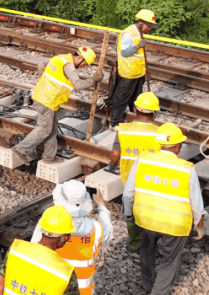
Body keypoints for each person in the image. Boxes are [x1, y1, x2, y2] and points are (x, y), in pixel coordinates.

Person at [124, 123, 205, 295]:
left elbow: (128, 193)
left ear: (160, 144)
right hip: (175, 224)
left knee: (147, 251)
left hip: (146, 218)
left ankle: (148, 283)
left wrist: (128, 214)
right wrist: (199, 226)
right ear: (177, 146)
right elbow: (197, 205)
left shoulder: (142, 160)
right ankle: (158, 291)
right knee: (170, 261)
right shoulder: (187, 169)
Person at [12, 47, 101, 164]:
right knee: (45, 129)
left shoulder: (61, 58)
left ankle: (49, 157)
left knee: (52, 129)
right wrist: (93, 79)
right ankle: (21, 148)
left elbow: (41, 65)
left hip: (46, 98)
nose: (84, 66)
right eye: (85, 63)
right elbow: (78, 84)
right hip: (46, 100)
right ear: (80, 58)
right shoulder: (69, 66)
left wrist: (43, 83)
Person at [30, 180, 113, 295]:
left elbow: (34, 249)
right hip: (83, 291)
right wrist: (102, 206)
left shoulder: (48, 223)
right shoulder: (96, 229)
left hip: (51, 287)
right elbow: (109, 233)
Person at [109, 91, 159, 252]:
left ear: (135, 110)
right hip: (152, 179)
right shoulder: (160, 133)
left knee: (131, 209)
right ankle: (151, 242)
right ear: (154, 114)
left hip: (130, 177)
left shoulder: (124, 130)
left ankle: (134, 243)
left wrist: (112, 165)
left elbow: (115, 154)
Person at [0, 206, 78, 295]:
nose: (69, 238)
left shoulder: (16, 249)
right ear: (62, 237)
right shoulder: (66, 273)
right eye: (68, 235)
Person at [108, 9, 160, 129]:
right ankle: (115, 123)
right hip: (129, 73)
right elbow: (125, 52)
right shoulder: (128, 34)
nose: (150, 28)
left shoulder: (138, 32)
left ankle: (136, 120)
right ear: (140, 23)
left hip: (138, 72)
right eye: (148, 26)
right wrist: (137, 46)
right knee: (121, 99)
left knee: (136, 99)